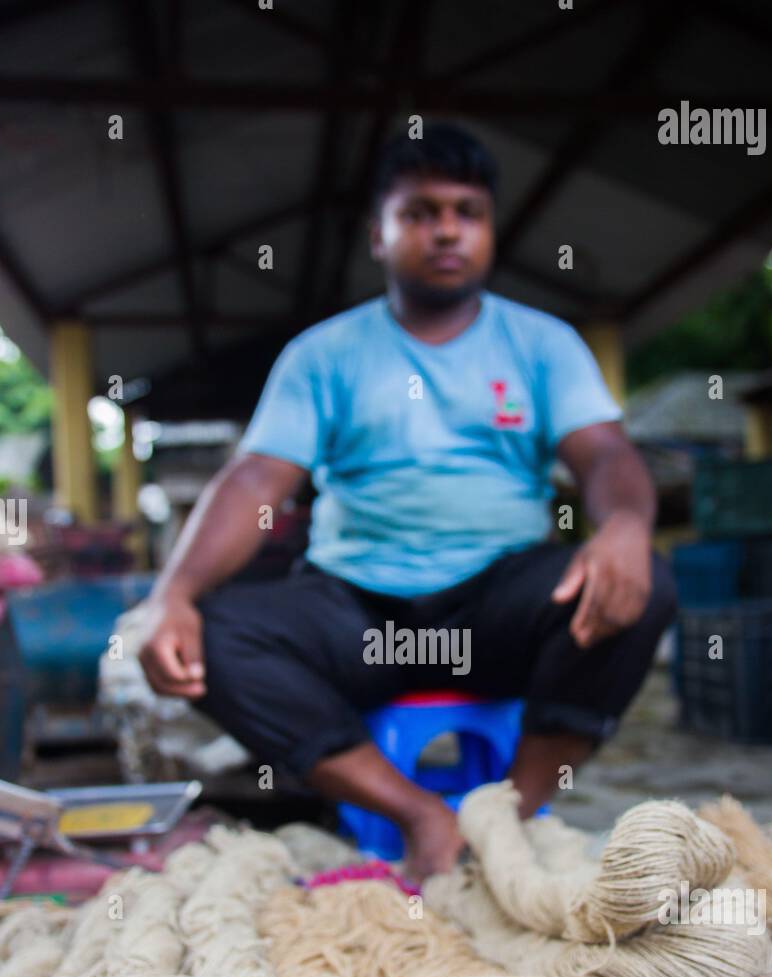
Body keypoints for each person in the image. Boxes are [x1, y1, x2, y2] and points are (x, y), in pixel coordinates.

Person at [139, 123, 675, 878]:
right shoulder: (323, 354)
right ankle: (417, 815)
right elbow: (257, 479)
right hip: (356, 614)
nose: (447, 229)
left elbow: (608, 454)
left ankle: (509, 818)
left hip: (500, 604)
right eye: (420, 212)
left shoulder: (545, 344)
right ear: (379, 236)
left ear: (490, 230)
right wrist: (175, 593)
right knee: (216, 634)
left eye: (467, 211)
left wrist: (623, 525)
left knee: (642, 582)